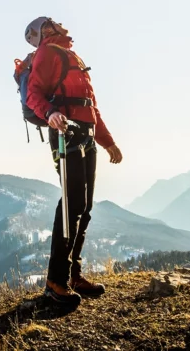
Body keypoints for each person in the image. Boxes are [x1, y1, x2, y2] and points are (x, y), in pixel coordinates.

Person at [23, 16, 123, 306]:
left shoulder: (72, 56)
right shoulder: (47, 53)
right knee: (71, 205)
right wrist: (50, 114)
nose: (54, 25)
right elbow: (33, 94)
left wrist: (108, 142)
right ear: (41, 33)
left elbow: (90, 107)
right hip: (65, 134)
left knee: (84, 207)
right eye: (47, 25)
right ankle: (56, 281)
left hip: (86, 136)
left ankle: (73, 275)